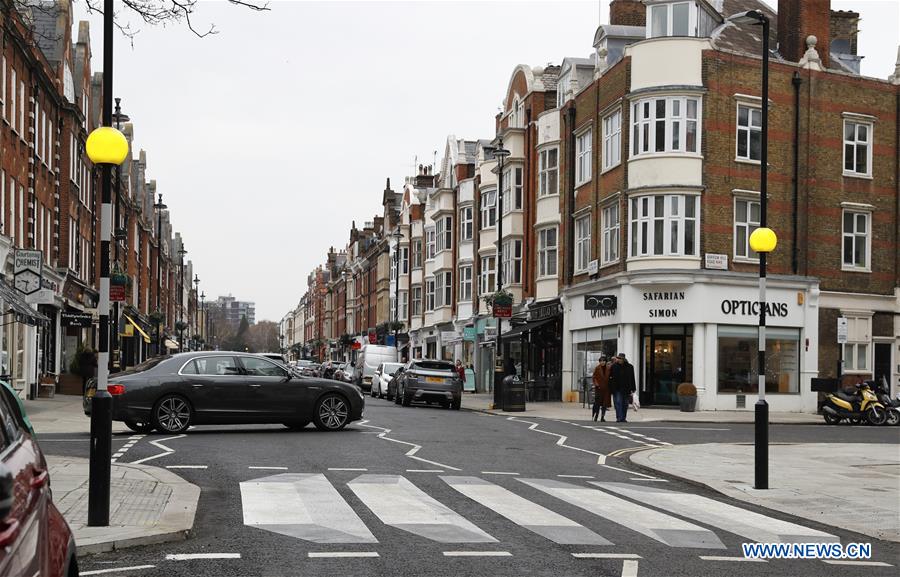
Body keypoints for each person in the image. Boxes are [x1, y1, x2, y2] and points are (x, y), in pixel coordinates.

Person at [609, 352, 636, 422]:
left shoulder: (630, 367)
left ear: (624, 359)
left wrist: (633, 388)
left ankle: (623, 417)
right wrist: (611, 388)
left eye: (620, 358)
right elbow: (610, 377)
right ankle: (619, 417)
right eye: (618, 358)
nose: (619, 360)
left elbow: (632, 378)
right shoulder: (614, 366)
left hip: (626, 388)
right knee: (618, 402)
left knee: (625, 404)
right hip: (617, 388)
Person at [591, 356, 611, 422]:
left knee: (604, 404)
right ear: (599, 362)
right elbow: (594, 377)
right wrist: (597, 385)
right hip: (599, 388)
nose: (602, 362)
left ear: (606, 362)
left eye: (604, 361)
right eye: (601, 361)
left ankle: (602, 416)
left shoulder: (608, 368)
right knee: (597, 403)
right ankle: (596, 415)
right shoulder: (597, 368)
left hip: (606, 388)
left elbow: (610, 377)